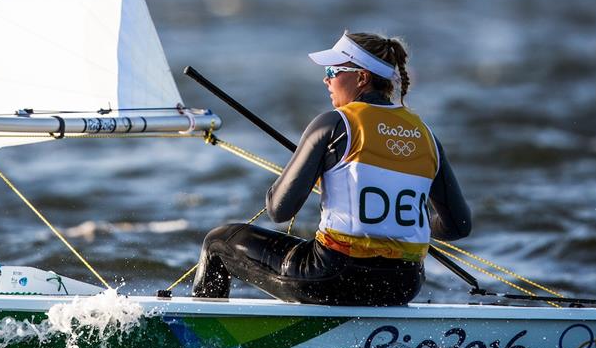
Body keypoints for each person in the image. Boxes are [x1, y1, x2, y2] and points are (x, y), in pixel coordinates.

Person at [192, 31, 471, 306]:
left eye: (333, 70)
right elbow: (457, 225)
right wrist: (398, 228)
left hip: (334, 277)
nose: (326, 79)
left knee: (218, 242)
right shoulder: (426, 136)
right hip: (403, 284)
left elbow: (279, 210)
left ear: (362, 77)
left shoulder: (334, 124)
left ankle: (200, 337)